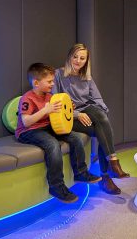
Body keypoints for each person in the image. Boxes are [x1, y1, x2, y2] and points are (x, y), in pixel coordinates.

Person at [16, 63, 102, 203]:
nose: (52, 84)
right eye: (49, 81)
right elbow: (26, 122)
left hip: (46, 127)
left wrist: (68, 107)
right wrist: (45, 110)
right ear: (36, 83)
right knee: (53, 145)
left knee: (75, 138)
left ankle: (81, 173)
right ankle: (56, 186)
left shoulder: (50, 96)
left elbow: (58, 113)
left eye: (52, 81)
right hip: (29, 131)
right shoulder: (27, 98)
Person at [53, 43, 130, 195]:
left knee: (102, 119)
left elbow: (97, 98)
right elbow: (54, 103)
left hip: (88, 111)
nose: (78, 61)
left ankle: (110, 170)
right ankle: (109, 172)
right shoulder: (58, 75)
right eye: (75, 57)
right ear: (69, 57)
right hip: (69, 116)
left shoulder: (86, 77)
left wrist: (102, 113)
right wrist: (77, 114)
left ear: (86, 61)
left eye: (82, 58)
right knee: (103, 131)